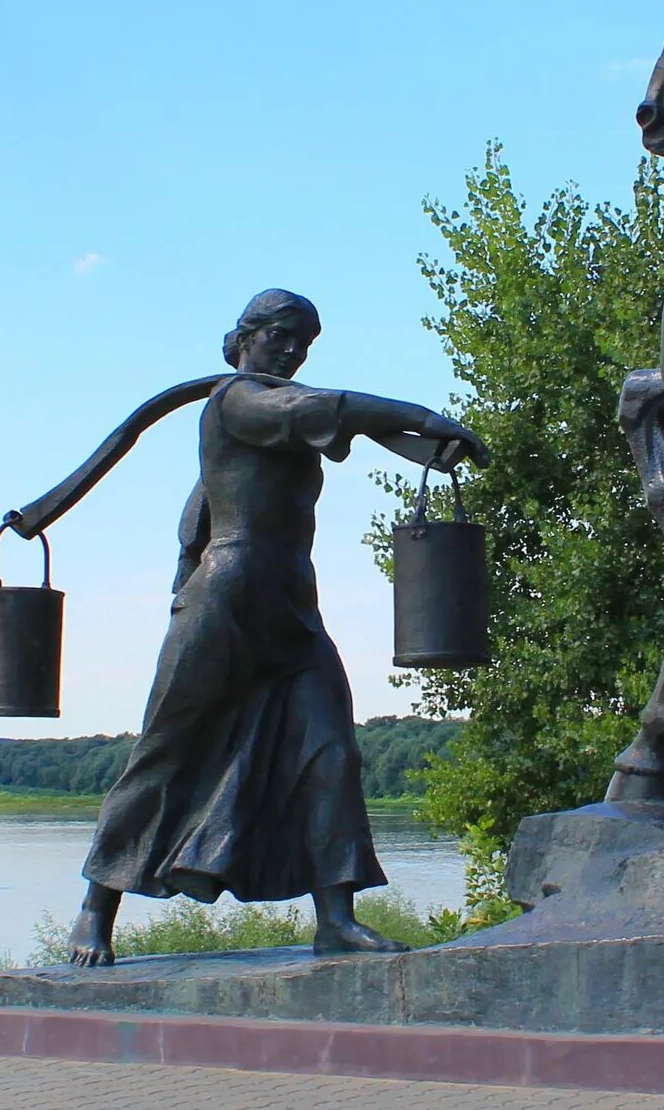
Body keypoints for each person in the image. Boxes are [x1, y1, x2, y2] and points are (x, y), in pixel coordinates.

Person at [65, 288, 487, 967]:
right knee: (168, 749)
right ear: (246, 336)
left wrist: (427, 445)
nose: (294, 351)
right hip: (228, 596)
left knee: (331, 750)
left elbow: (339, 426)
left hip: (291, 599)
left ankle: (337, 918)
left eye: (305, 343)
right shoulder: (237, 401)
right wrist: (423, 414)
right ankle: (94, 911)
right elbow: (322, 410)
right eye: (283, 336)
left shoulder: (274, 413)